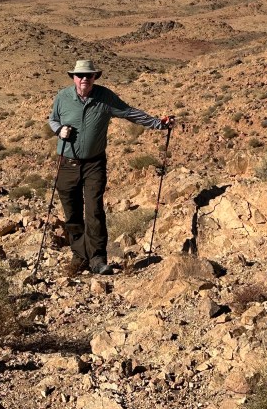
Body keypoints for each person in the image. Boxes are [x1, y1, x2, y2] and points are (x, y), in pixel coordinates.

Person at [48, 59, 173, 275]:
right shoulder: (62, 97)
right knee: (72, 212)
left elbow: (129, 112)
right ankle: (79, 256)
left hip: (94, 164)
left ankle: (97, 258)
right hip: (67, 164)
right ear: (73, 77)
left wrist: (158, 124)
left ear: (95, 77)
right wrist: (59, 130)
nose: (84, 79)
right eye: (80, 75)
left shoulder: (105, 97)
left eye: (89, 75)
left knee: (94, 210)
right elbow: (53, 119)